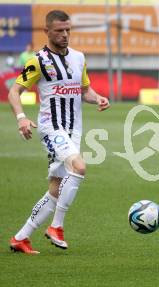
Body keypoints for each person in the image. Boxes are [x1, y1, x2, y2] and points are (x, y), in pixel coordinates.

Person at [8, 10, 110, 254]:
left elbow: (84, 91)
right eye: (59, 31)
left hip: (74, 130)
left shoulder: (78, 58)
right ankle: (57, 227)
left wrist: (98, 99)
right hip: (51, 127)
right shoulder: (38, 61)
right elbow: (14, 92)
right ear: (47, 32)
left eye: (68, 30)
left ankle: (21, 238)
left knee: (56, 187)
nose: (65, 35)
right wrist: (22, 118)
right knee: (80, 167)